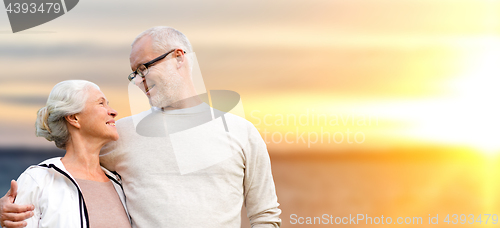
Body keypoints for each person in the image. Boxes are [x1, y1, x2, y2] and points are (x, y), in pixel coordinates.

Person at [0, 27, 281, 228]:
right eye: (134, 73)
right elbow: (69, 168)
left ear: (179, 57)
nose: (138, 80)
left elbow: (265, 216)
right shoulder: (119, 134)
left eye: (144, 68)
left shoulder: (242, 132)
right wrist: (6, 211)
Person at [0, 80, 131, 228]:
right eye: (101, 103)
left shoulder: (120, 184)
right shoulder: (38, 180)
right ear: (74, 118)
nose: (113, 111)